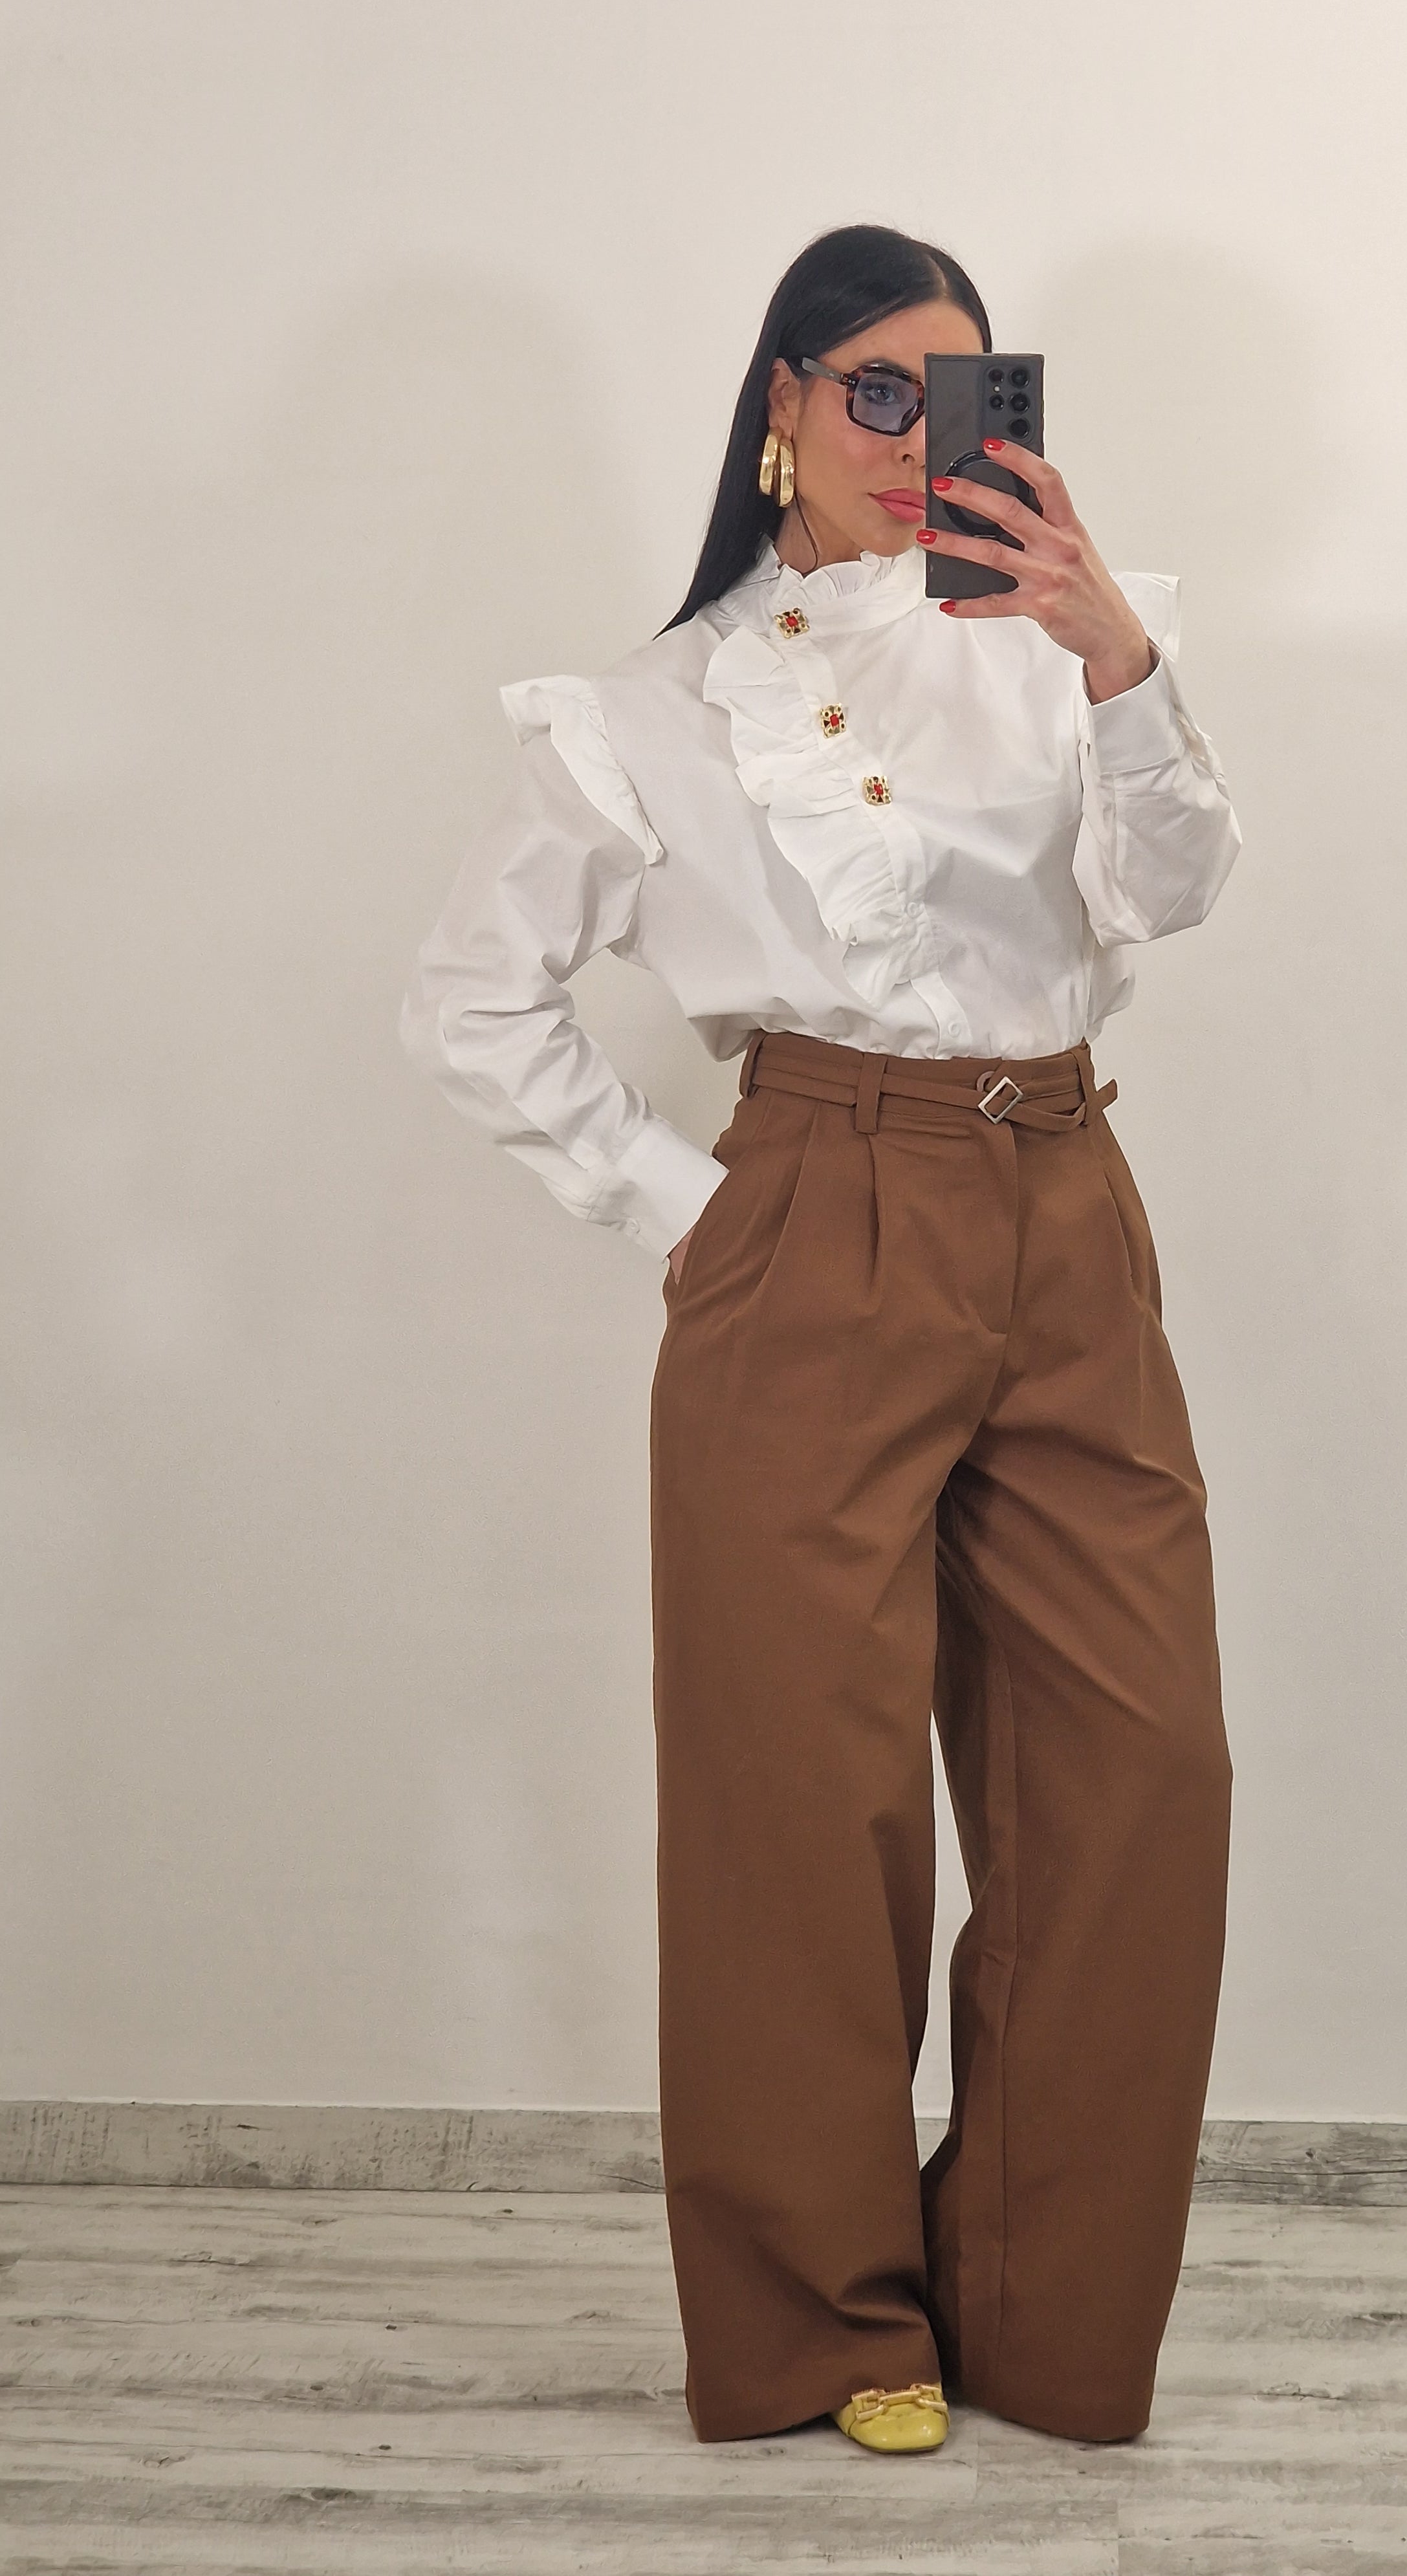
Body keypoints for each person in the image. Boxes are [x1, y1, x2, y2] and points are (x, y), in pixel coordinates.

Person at [398, 222, 1243, 2455]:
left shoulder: (1056, 643)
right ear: (779, 402)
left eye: (957, 396)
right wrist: (695, 1213)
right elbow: (472, 1001)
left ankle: (1046, 2315)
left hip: (1068, 1206)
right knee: (805, 1807)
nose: (913, 436)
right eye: (875, 388)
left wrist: (1117, 656)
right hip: (809, 1218)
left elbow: (1169, 894)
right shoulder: (651, 714)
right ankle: (825, 2325)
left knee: (1141, 1781)